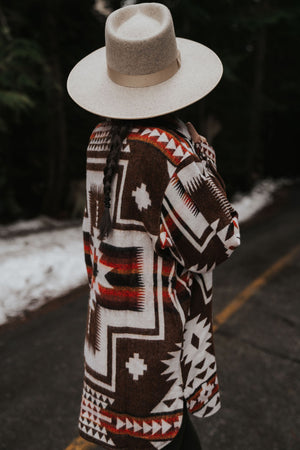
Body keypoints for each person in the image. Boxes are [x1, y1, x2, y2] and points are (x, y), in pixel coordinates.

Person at [67, 3, 240, 449]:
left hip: (109, 351)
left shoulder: (99, 139)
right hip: (157, 363)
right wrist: (203, 157)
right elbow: (220, 240)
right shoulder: (170, 155)